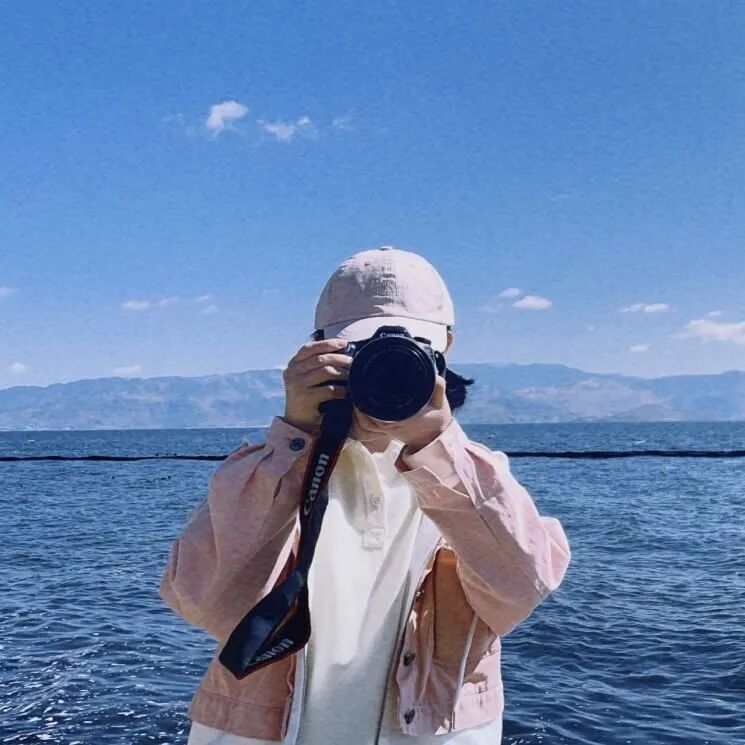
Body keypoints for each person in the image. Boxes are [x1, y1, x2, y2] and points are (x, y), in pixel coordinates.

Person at [159, 246, 571, 745]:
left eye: (410, 349)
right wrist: (294, 437)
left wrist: (438, 449)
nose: (384, 367)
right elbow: (202, 601)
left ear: (445, 348)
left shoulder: (478, 476)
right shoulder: (271, 471)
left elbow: (521, 591)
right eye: (360, 350)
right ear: (318, 350)